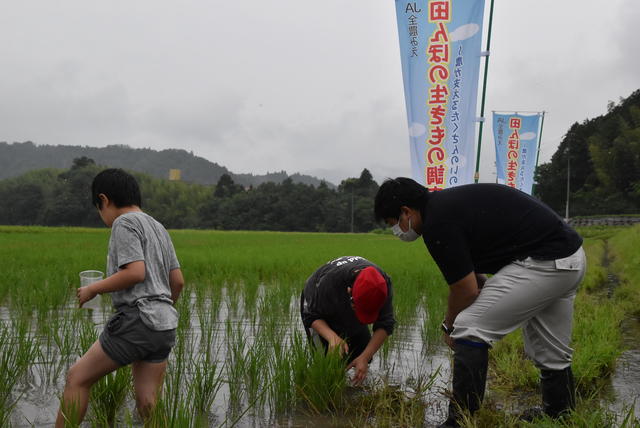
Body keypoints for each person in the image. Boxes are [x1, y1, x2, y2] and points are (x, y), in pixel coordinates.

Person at [374, 178, 586, 427]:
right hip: (571, 259)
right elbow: (474, 277)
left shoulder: (437, 222)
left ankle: (461, 420)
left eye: (394, 223)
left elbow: (465, 290)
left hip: (545, 262)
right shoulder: (446, 206)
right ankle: (560, 414)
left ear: (406, 211)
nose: (398, 231)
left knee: (469, 327)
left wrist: (450, 327)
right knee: (551, 348)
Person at [56, 168, 184, 427]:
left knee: (77, 378)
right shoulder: (158, 227)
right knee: (148, 402)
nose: (101, 215)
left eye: (98, 208)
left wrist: (94, 288)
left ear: (104, 200)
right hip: (165, 323)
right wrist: (159, 313)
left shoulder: (123, 223)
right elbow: (178, 282)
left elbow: (135, 272)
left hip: (137, 319)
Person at [300, 256, 395, 384]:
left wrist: (365, 358)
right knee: (327, 363)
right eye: (359, 310)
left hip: (351, 297)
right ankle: (325, 391)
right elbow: (310, 315)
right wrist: (332, 337)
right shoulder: (327, 284)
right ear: (349, 292)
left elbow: (386, 323)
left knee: (361, 351)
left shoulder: (382, 284)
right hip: (317, 304)